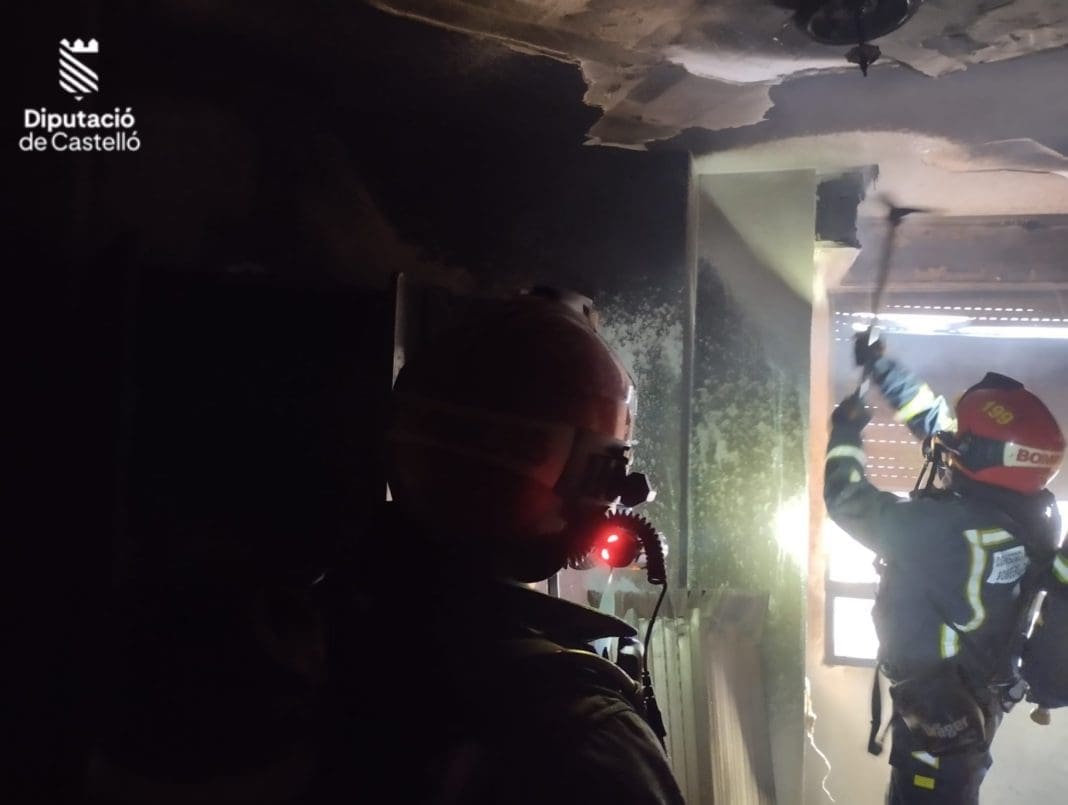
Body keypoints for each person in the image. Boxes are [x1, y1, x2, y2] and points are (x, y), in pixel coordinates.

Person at [315, 286, 686, 804]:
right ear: (584, 475)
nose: (618, 495)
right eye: (611, 466)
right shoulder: (584, 737)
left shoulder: (319, 620)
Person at [824, 333, 1064, 805]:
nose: (953, 441)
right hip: (976, 693)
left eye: (965, 442)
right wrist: (882, 370)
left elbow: (846, 498)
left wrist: (846, 432)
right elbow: (942, 428)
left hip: (939, 711)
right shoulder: (1030, 514)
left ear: (991, 457)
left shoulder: (946, 530)